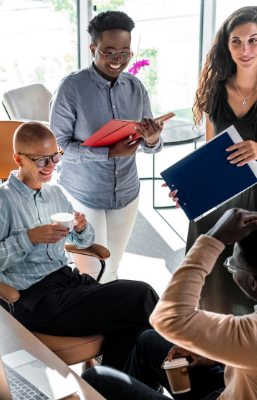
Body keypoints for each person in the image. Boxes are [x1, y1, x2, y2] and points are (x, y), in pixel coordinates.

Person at [82, 208, 257, 399]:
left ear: (254, 282)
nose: (229, 268)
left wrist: (214, 238)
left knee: (97, 378)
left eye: (232, 266)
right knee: (148, 342)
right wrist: (210, 352)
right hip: (245, 388)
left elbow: (168, 316)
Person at [0, 121, 159, 370]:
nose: (51, 165)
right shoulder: (1, 200)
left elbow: (77, 240)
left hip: (68, 283)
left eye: (55, 156)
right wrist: (29, 238)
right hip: (34, 300)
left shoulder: (55, 194)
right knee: (142, 295)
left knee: (133, 323)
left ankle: (112, 388)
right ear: (18, 159)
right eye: (42, 160)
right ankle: (184, 363)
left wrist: (81, 229)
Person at [168, 6, 257, 315]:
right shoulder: (214, 92)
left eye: (253, 40)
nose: (245, 50)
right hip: (216, 201)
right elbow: (208, 153)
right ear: (227, 44)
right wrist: (189, 188)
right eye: (236, 41)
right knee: (210, 286)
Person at [50, 10, 165, 283]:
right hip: (82, 192)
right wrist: (108, 152)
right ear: (93, 49)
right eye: (110, 52)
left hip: (125, 192)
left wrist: (151, 138)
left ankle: (106, 322)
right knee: (90, 272)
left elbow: (152, 147)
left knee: (111, 267)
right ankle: (82, 322)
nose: (118, 61)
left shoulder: (136, 88)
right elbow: (58, 147)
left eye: (125, 53)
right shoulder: (71, 88)